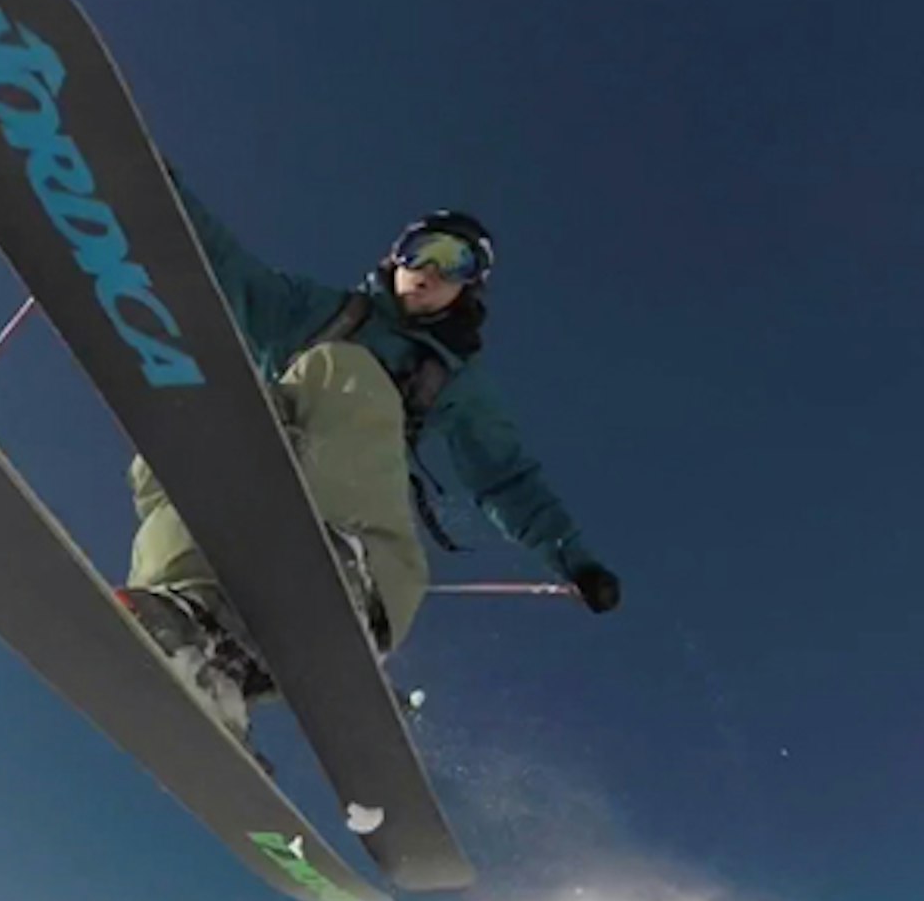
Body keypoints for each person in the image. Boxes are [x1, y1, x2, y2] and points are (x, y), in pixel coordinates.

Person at [118, 174, 621, 735]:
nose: (430, 270)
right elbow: (221, 264)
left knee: (344, 370)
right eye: (419, 251)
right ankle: (191, 636)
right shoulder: (316, 311)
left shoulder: (457, 385)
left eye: (456, 262)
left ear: (470, 287)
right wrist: (141, 179)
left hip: (371, 562)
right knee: (207, 414)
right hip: (252, 502)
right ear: (394, 257)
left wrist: (575, 559)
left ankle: (336, 581)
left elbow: (505, 479)